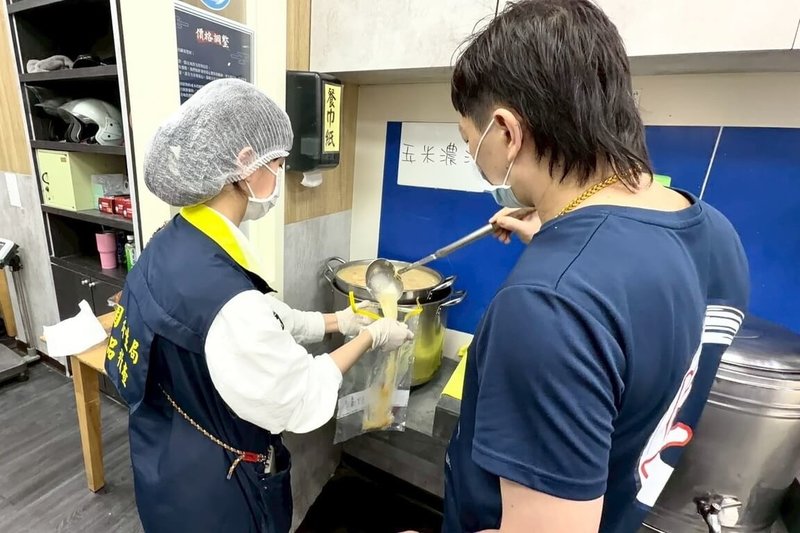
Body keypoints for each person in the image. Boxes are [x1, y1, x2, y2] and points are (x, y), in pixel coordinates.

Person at [443, 1, 749, 532]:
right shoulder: (715, 232)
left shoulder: (547, 305)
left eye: (471, 143)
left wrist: (563, 274)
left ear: (507, 132)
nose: (477, 158)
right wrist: (564, 251)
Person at [104, 78, 413, 533]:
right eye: (280, 163)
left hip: (164, 457)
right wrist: (370, 336)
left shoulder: (172, 242)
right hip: (218, 493)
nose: (282, 177)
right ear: (245, 164)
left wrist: (337, 320)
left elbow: (254, 318)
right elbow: (304, 393)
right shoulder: (228, 303)